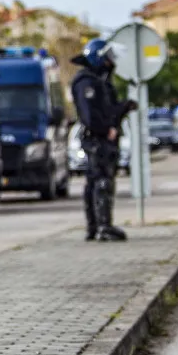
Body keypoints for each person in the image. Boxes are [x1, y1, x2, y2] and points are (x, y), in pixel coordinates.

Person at [71, 38, 137, 241]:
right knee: (101, 182)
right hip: (97, 140)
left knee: (98, 181)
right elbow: (92, 116)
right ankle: (102, 226)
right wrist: (106, 128)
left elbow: (107, 109)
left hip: (100, 139)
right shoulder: (87, 82)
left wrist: (122, 109)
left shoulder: (98, 80)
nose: (111, 63)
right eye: (108, 59)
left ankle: (96, 227)